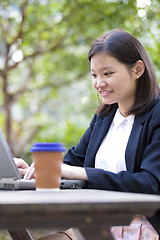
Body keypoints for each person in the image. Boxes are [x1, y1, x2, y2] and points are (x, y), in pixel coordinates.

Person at [14, 28, 160, 239]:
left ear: (137, 70)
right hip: (98, 224)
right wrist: (32, 172)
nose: (99, 83)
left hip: (144, 227)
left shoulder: (156, 115)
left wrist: (81, 173)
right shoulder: (104, 118)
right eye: (94, 75)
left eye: (107, 73)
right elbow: (71, 163)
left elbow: (150, 183)